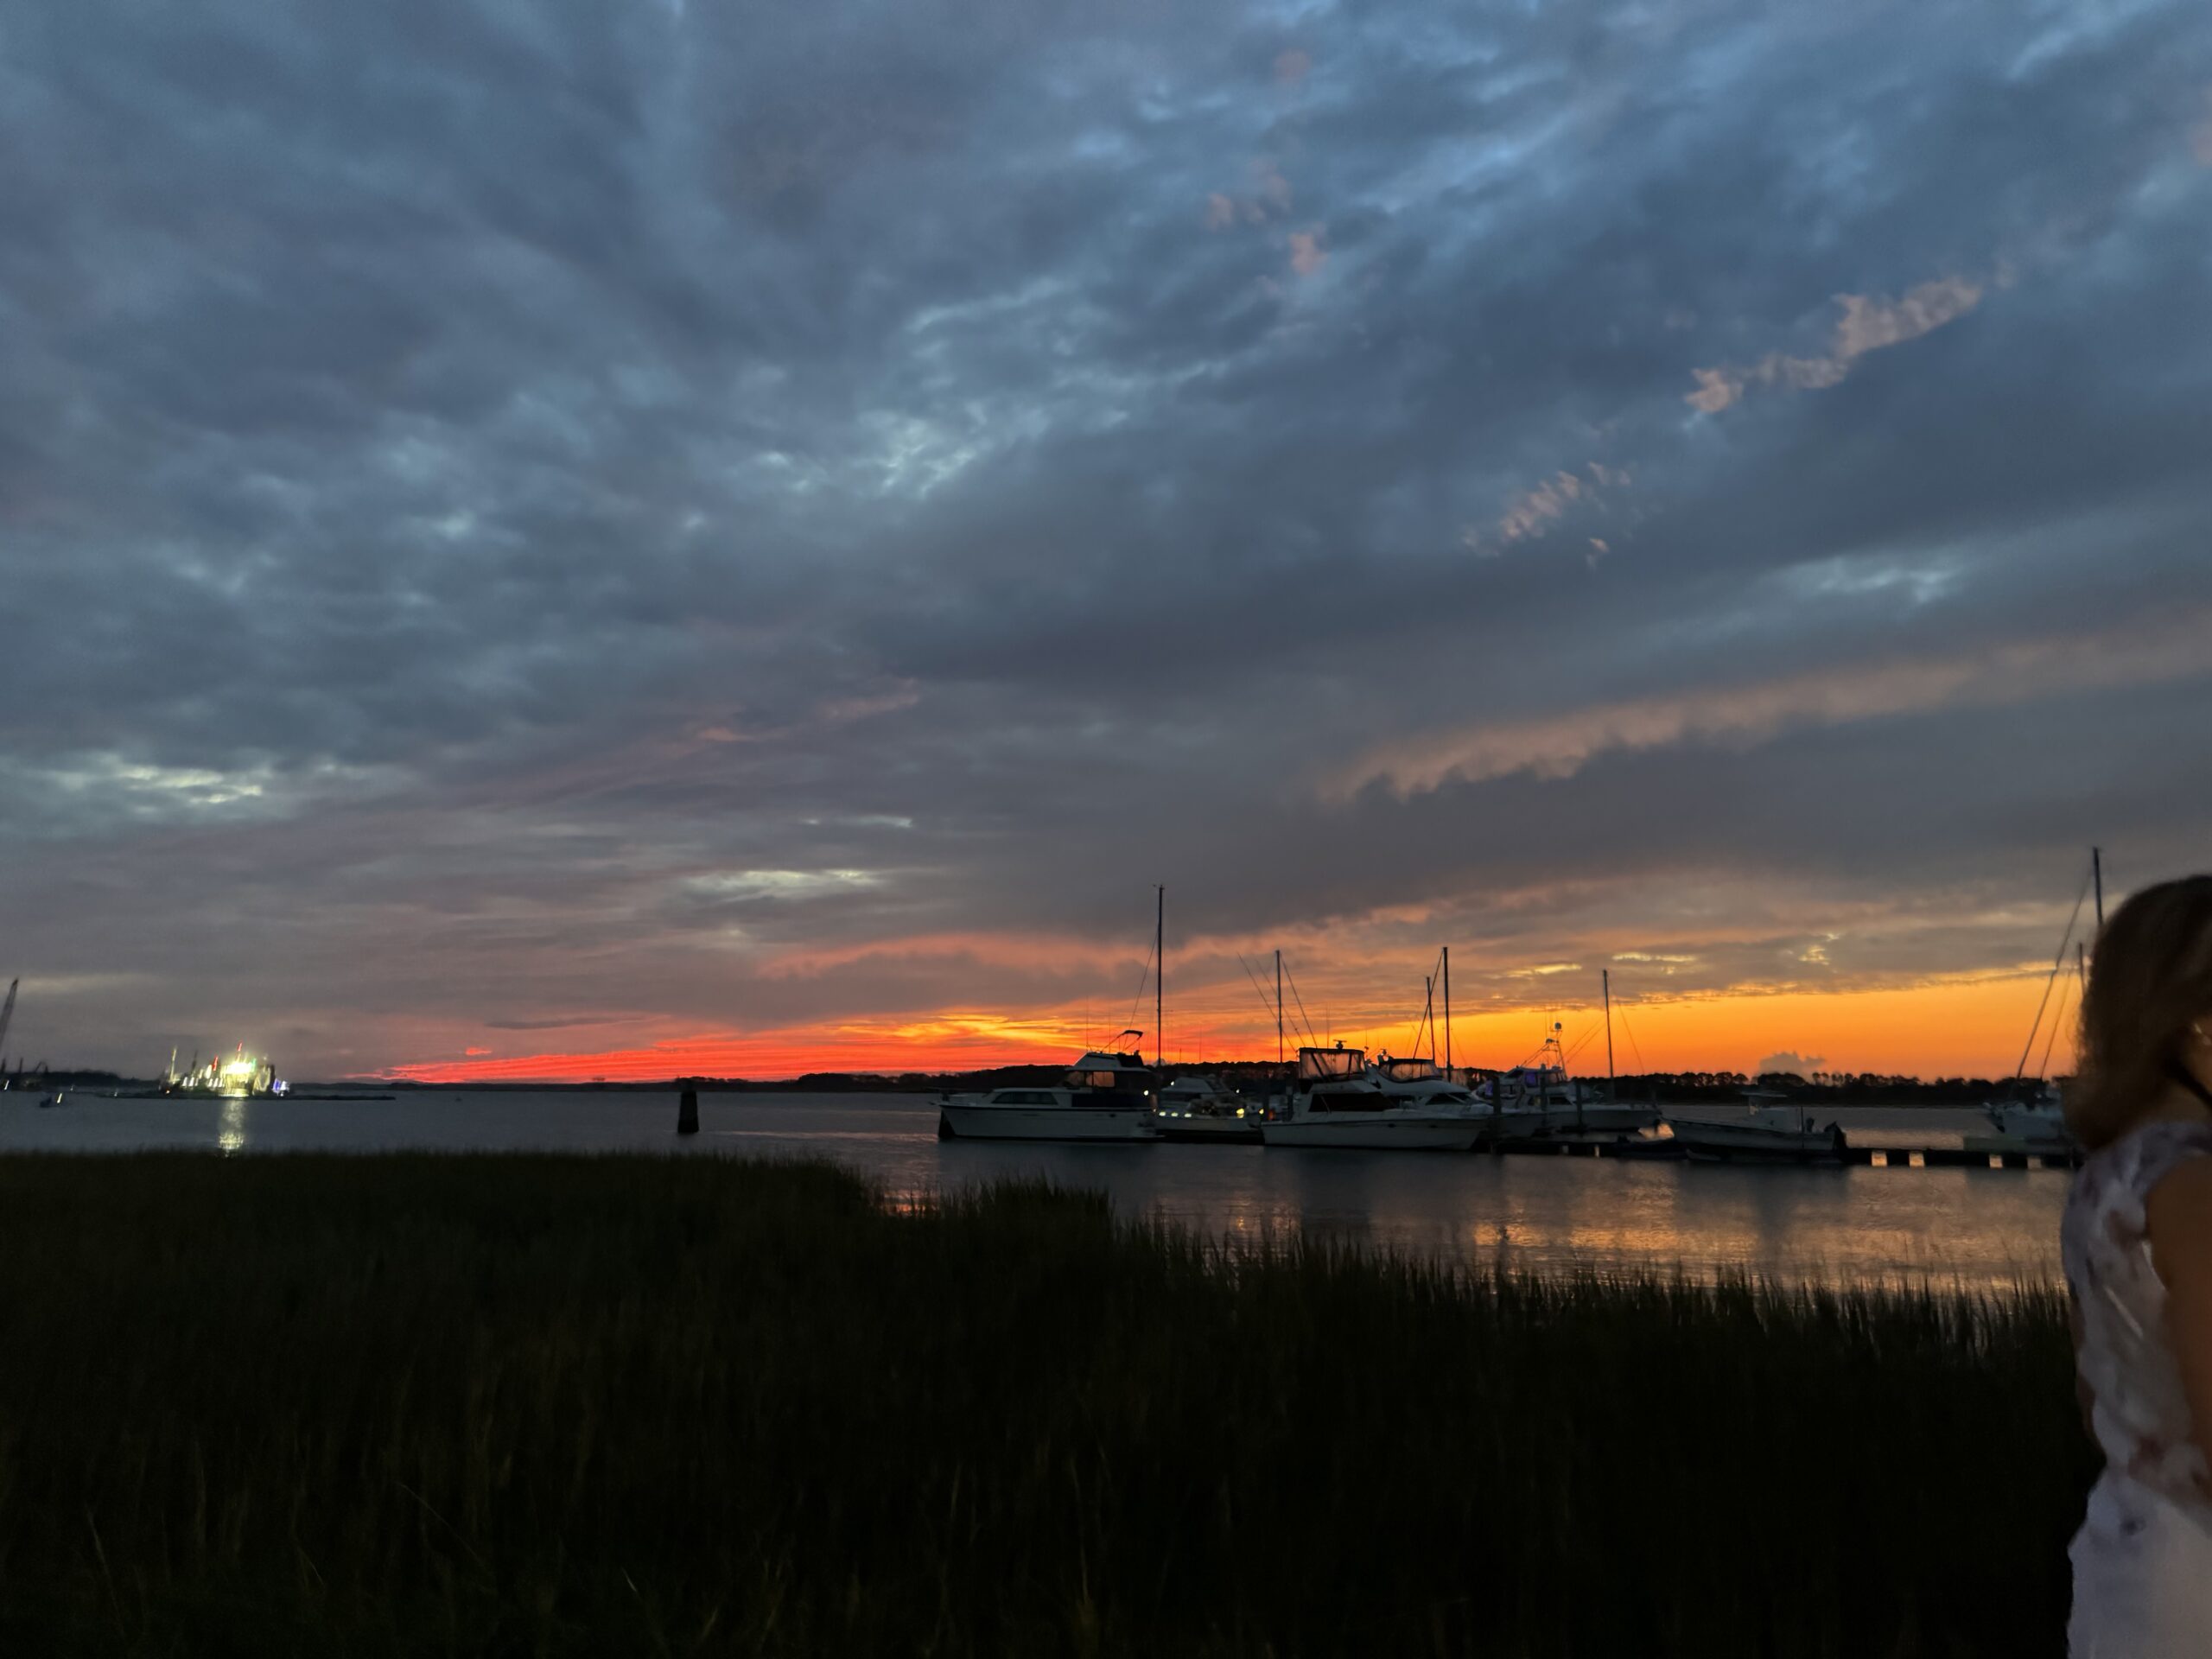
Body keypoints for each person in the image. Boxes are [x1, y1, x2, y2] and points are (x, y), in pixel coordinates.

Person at [2063, 875, 2212, 1652]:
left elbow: (2097, 1400)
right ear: (2199, 1026)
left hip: (2126, 1553)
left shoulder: (2105, 1178)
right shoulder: (2195, 1184)